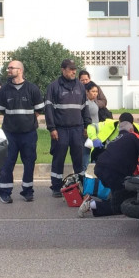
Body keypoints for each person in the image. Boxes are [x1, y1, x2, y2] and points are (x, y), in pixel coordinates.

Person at [78, 120, 139, 218]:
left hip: (100, 169)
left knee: (119, 192)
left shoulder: (115, 140)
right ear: (131, 130)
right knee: (120, 206)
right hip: (114, 172)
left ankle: (109, 200)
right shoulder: (133, 136)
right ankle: (91, 205)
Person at [0, 61, 44, 203]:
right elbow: (2, 110)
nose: (8, 70)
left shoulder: (32, 88)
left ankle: (27, 191)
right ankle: (4, 192)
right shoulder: (4, 89)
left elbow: (38, 109)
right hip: (10, 133)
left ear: (20, 70)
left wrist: (27, 122)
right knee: (7, 163)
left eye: (11, 68)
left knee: (29, 162)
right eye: (8, 67)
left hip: (29, 134)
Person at [45, 59, 92, 197]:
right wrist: (52, 128)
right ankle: (56, 187)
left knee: (78, 160)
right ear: (63, 70)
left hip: (77, 129)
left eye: (74, 69)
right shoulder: (53, 87)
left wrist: (86, 126)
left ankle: (79, 185)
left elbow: (85, 107)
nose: (73, 71)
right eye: (70, 69)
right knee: (58, 159)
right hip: (60, 129)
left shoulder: (80, 86)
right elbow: (48, 109)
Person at [82, 81, 100, 173]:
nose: (95, 93)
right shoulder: (86, 103)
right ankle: (83, 172)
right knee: (85, 153)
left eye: (96, 91)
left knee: (93, 153)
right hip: (88, 132)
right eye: (93, 91)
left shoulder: (94, 102)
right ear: (87, 92)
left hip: (95, 133)